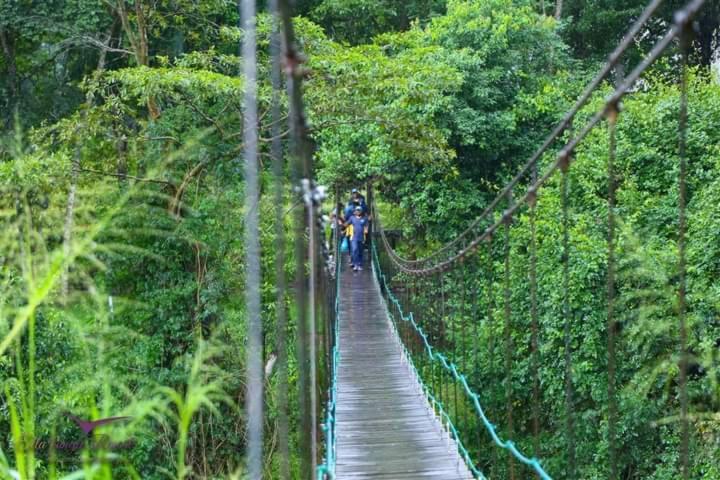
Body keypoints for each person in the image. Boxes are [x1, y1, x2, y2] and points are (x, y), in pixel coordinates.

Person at [346, 205, 368, 271]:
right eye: (356, 210)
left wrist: (366, 229)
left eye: (359, 210)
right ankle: (355, 265)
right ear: (355, 211)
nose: (358, 211)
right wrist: (341, 225)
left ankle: (360, 264)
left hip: (361, 238)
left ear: (361, 211)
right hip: (354, 238)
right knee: (355, 250)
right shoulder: (352, 218)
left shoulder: (364, 218)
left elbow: (366, 225)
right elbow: (346, 224)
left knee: (360, 251)